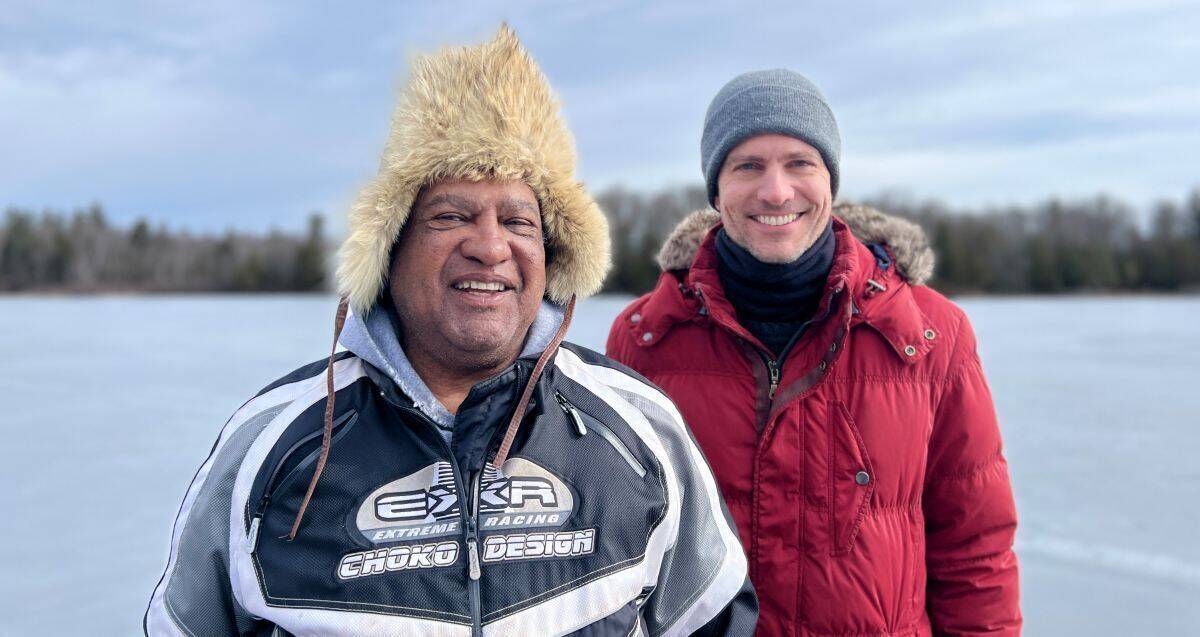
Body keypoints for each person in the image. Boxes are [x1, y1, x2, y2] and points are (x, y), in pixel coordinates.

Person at [146, 27, 755, 637]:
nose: (490, 247)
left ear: (550, 251)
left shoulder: (636, 430)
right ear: (392, 245)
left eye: (517, 219)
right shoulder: (273, 443)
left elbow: (716, 619)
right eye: (451, 215)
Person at [607, 70, 1020, 636]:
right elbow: (618, 557)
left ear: (830, 178)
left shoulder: (930, 335)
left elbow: (976, 547)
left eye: (799, 163)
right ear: (716, 187)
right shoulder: (646, 339)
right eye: (748, 165)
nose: (776, 191)